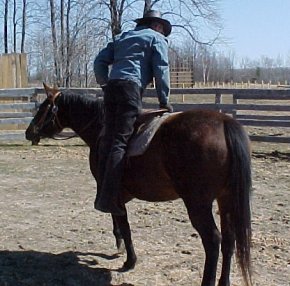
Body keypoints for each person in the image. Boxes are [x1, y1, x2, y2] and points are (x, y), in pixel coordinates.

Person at [93, 10, 173, 216]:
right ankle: (111, 197)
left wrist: (104, 83)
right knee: (121, 141)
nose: (163, 32)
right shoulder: (156, 39)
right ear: (156, 25)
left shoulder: (123, 37)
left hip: (112, 89)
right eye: (163, 28)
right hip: (131, 89)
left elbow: (99, 62)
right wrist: (164, 100)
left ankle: (102, 192)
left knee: (107, 140)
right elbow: (161, 70)